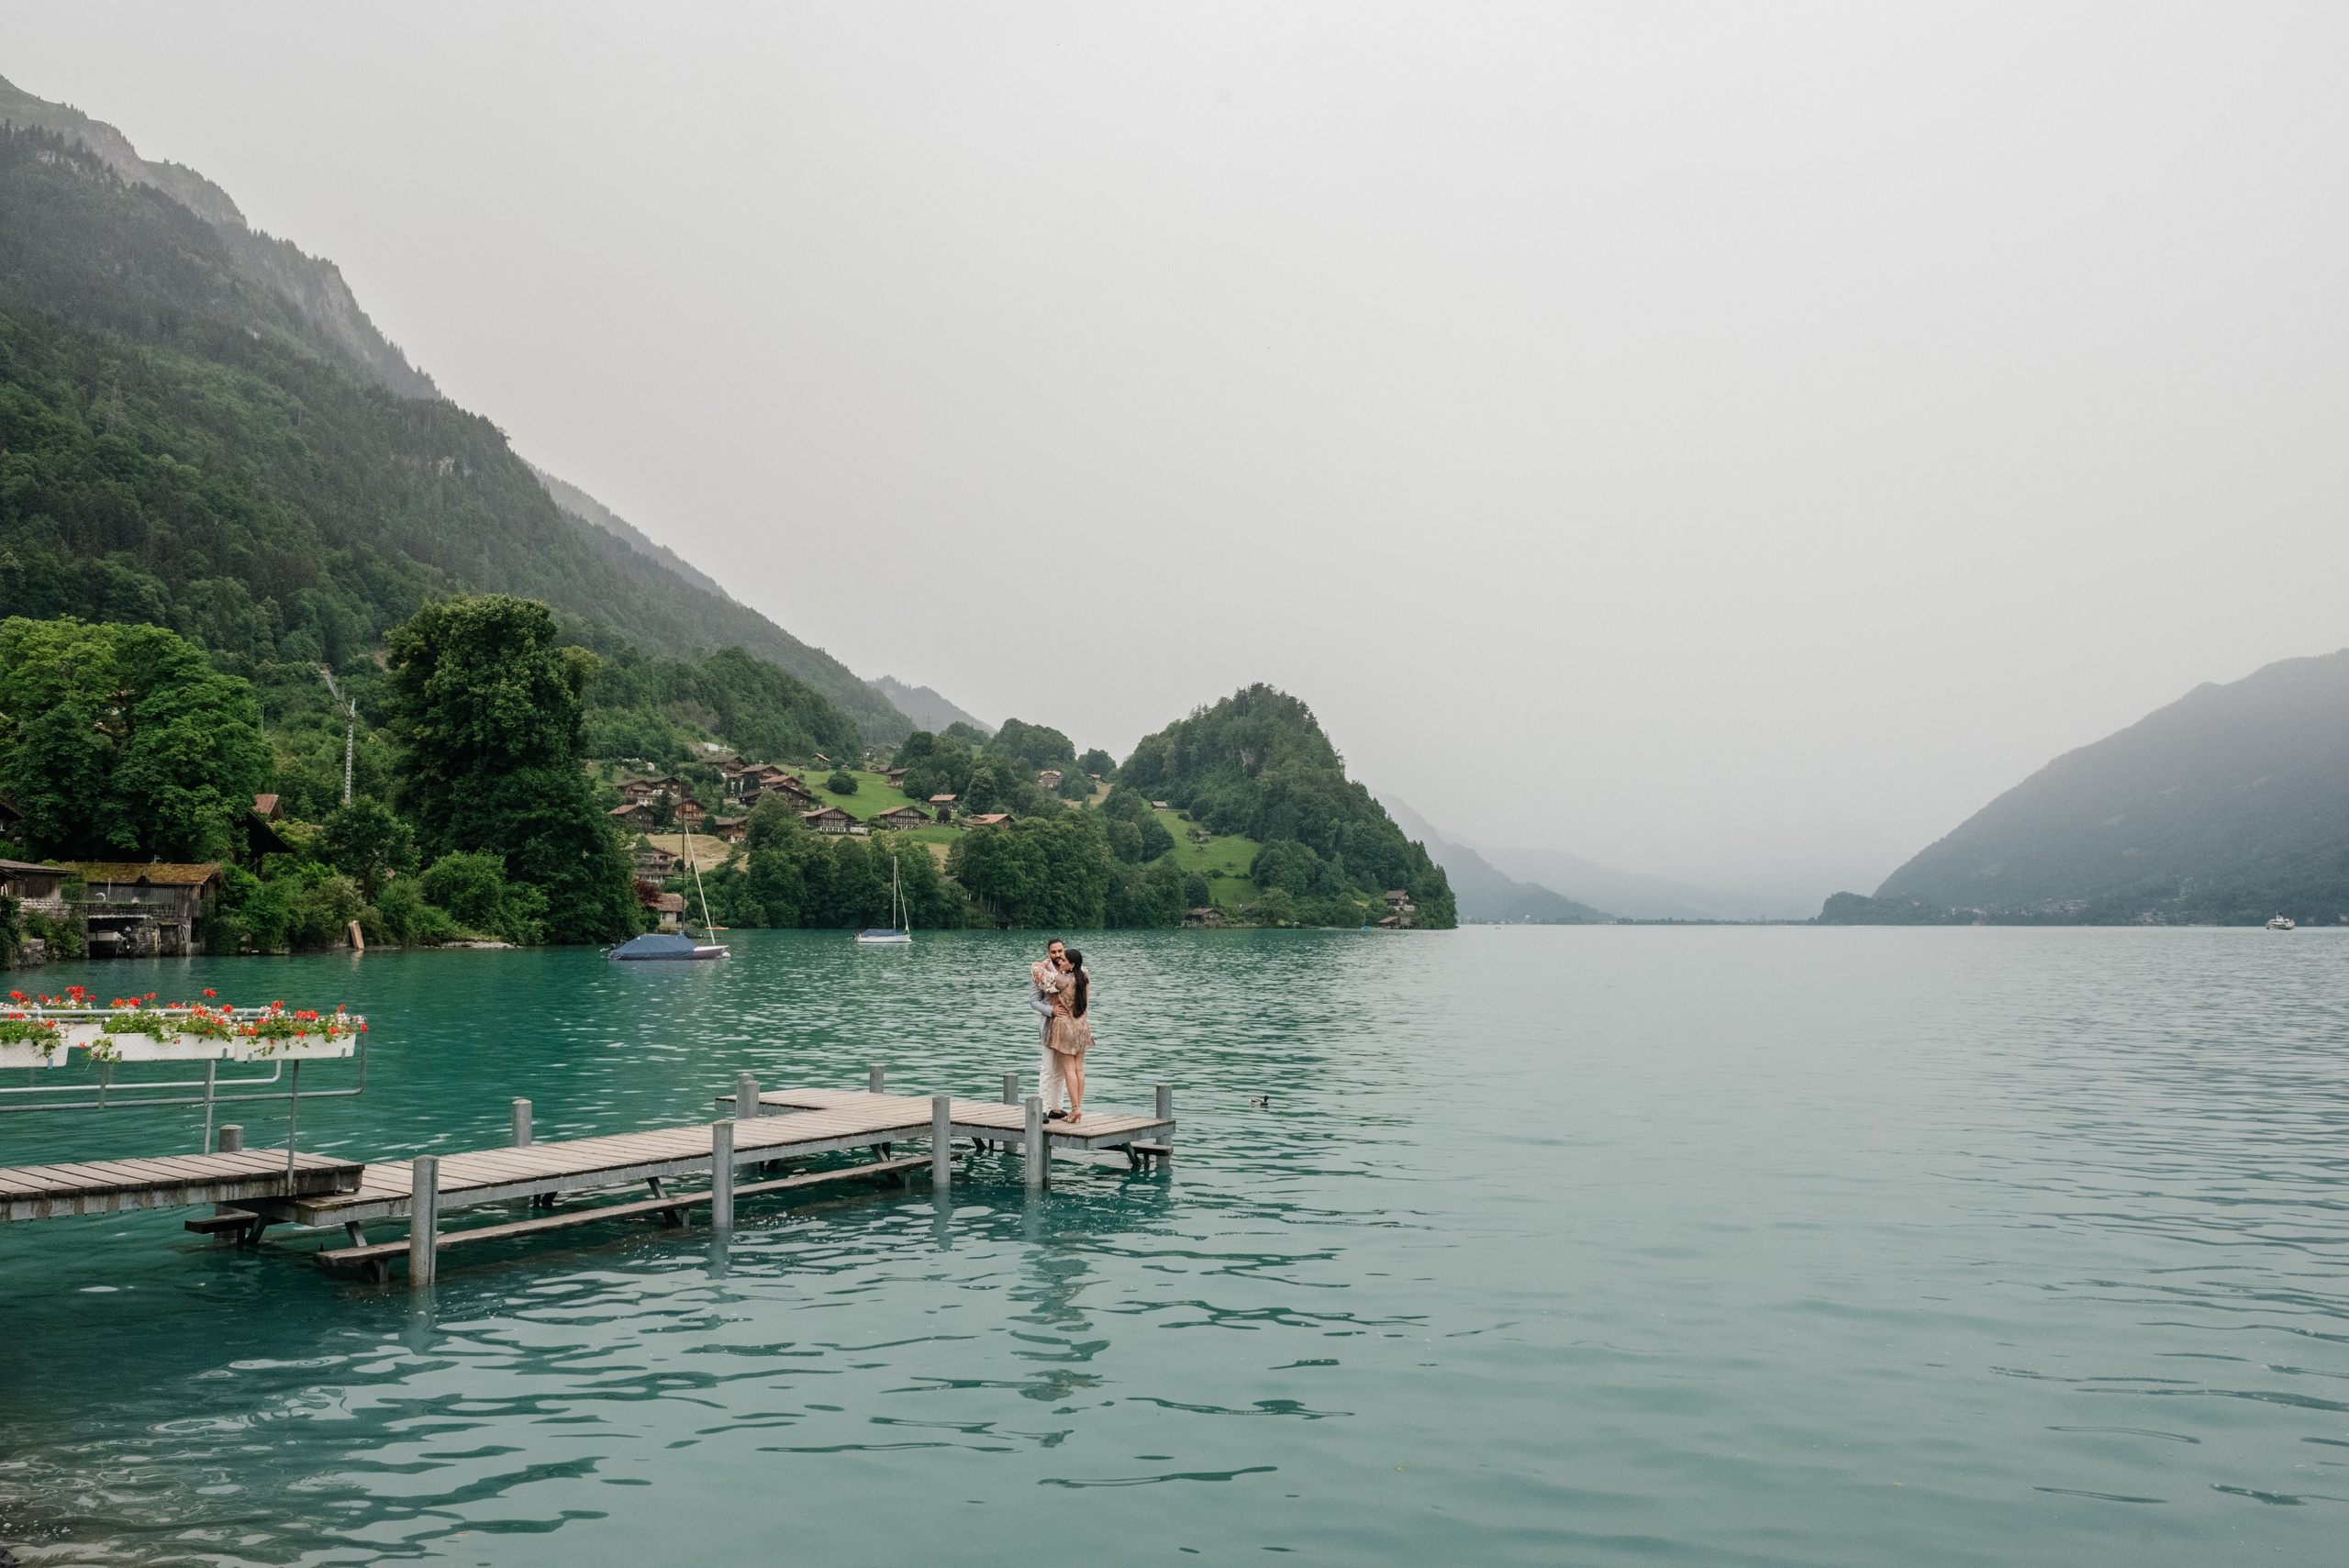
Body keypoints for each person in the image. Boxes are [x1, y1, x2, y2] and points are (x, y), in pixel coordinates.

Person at [1047, 947, 1095, 1121]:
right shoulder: (1085, 978)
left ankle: (1074, 1109)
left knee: (1069, 1070)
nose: (1060, 961)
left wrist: (1043, 963)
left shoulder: (1062, 980)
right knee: (1079, 1069)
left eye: (1064, 960)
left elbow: (1040, 977)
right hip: (1082, 1027)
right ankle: (1078, 1107)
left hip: (1066, 1028)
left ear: (1072, 964)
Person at [1029, 939, 1070, 1118]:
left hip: (1067, 1028)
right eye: (1054, 952)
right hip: (1048, 1026)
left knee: (1061, 1069)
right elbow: (1033, 1001)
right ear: (1048, 953)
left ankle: (1056, 1108)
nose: (1058, 955)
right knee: (1047, 1069)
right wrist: (1051, 1010)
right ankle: (1043, 1109)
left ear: (1064, 950)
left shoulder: (1070, 970)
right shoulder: (1040, 972)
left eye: (1060, 951)